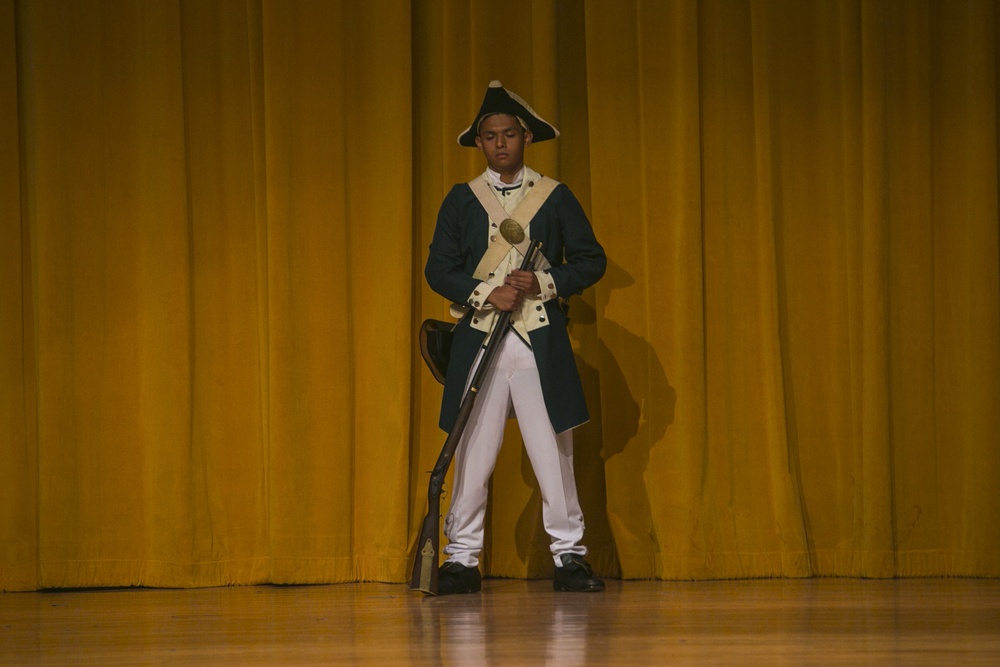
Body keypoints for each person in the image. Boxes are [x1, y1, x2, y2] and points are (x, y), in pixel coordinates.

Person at [424, 81, 607, 594]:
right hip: (481, 339)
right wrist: (487, 292)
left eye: (508, 134)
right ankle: (461, 558)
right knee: (472, 451)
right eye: (489, 136)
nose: (499, 143)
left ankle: (570, 555)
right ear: (479, 144)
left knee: (554, 452)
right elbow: (438, 270)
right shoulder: (461, 200)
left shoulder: (555, 196)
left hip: (538, 339)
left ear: (526, 137)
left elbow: (591, 260)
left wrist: (544, 283)